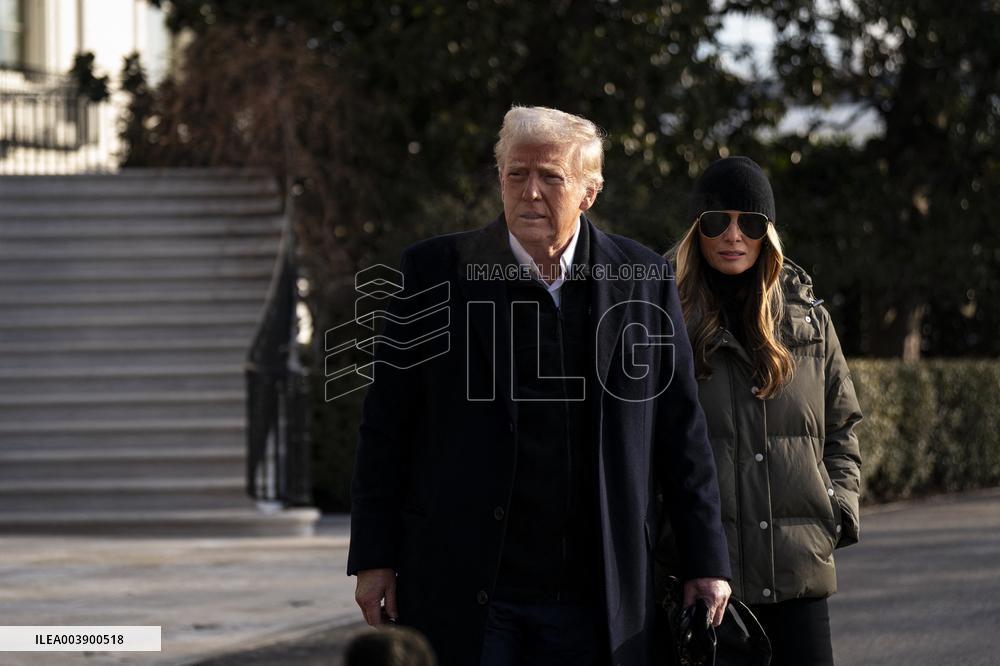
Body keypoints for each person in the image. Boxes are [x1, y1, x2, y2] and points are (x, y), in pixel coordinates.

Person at [347, 105, 732, 666]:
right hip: (469, 587)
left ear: (588, 191)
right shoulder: (434, 273)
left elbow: (682, 434)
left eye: (551, 177)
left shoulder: (643, 279)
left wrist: (706, 560)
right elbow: (385, 426)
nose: (530, 193)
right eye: (516, 175)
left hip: (598, 593)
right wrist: (375, 557)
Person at [659, 156, 863, 665]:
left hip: (799, 576)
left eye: (749, 222)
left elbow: (842, 425)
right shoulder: (661, 321)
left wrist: (836, 509)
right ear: (695, 231)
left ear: (767, 232)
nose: (733, 235)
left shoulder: (811, 321)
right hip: (707, 579)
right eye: (716, 221)